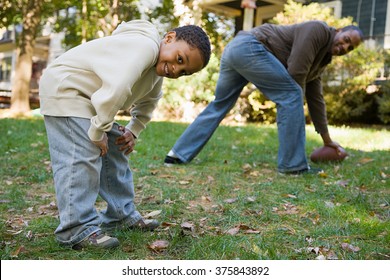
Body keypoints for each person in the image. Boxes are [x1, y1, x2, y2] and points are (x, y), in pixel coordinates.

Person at [39, 20, 211, 250]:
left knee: (117, 145)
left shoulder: (155, 71)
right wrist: (98, 130)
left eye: (184, 72)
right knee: (81, 155)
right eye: (180, 59)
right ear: (169, 38)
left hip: (89, 100)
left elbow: (149, 102)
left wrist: (133, 130)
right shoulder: (144, 47)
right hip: (66, 90)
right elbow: (117, 88)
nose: (176, 70)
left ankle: (120, 215)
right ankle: (76, 228)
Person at [164, 20, 363, 175]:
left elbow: (316, 100)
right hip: (250, 47)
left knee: (220, 104)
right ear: (338, 30)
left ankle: (177, 155)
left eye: (350, 48)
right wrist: (295, 104)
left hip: (236, 49)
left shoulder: (321, 61)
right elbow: (296, 71)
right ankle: (293, 166)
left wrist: (328, 140)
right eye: (346, 40)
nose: (345, 47)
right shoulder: (318, 29)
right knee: (292, 94)